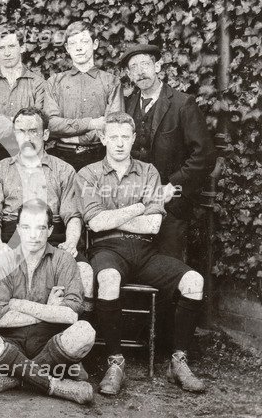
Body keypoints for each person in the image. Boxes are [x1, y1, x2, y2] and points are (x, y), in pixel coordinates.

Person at [75, 111, 206, 395]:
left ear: (134, 139)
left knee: (194, 282)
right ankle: (115, 362)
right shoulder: (88, 174)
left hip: (145, 250)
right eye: (114, 137)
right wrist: (138, 207)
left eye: (126, 137)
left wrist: (114, 215)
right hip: (107, 248)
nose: (120, 144)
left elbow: (154, 224)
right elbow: (95, 222)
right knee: (108, 277)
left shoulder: (149, 172)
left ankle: (178, 360)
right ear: (103, 138)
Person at [0, 199, 95, 404]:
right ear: (18, 229)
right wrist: (48, 310)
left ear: (50, 230)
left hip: (51, 345)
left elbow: (71, 313)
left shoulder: (63, 260)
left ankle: (12, 378)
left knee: (85, 332)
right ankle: (58, 387)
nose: (34, 235)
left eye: (41, 228)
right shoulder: (4, 261)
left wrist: (17, 304)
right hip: (11, 344)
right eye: (27, 227)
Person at [0, 107, 95, 317]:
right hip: (11, 234)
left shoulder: (64, 170)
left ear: (45, 135)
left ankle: (78, 332)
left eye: (33, 131)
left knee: (85, 272)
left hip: (52, 235)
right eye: (21, 131)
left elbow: (73, 215)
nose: (27, 137)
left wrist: (70, 243)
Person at [119, 44, 216, 259]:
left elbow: (204, 155)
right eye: (133, 67)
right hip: (135, 202)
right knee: (130, 259)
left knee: (168, 263)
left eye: (145, 64)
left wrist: (174, 185)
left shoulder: (183, 103)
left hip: (172, 203)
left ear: (158, 66)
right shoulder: (126, 106)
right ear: (128, 74)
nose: (140, 71)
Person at [44, 21, 123, 171]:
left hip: (99, 158)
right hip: (61, 158)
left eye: (85, 41)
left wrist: (77, 138)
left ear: (95, 44)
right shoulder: (54, 82)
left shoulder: (111, 82)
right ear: (67, 48)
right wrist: (91, 124)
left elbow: (112, 127)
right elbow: (51, 124)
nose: (79, 48)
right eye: (73, 43)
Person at [0, 27, 47, 164]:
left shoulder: (38, 84)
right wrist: (20, 123)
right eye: (1, 48)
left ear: (22, 47)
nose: (7, 53)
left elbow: (38, 123)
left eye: (11, 46)